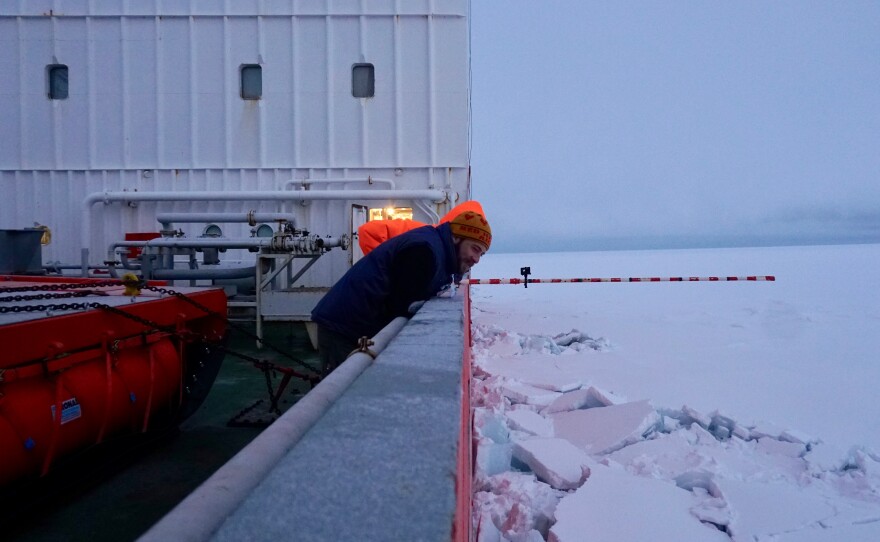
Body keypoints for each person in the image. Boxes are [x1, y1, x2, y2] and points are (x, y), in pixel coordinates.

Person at [311, 210, 491, 376]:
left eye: (481, 254)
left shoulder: (436, 249)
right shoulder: (424, 251)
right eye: (475, 248)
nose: (476, 259)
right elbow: (403, 304)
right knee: (338, 397)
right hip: (344, 328)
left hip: (355, 327)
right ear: (456, 238)